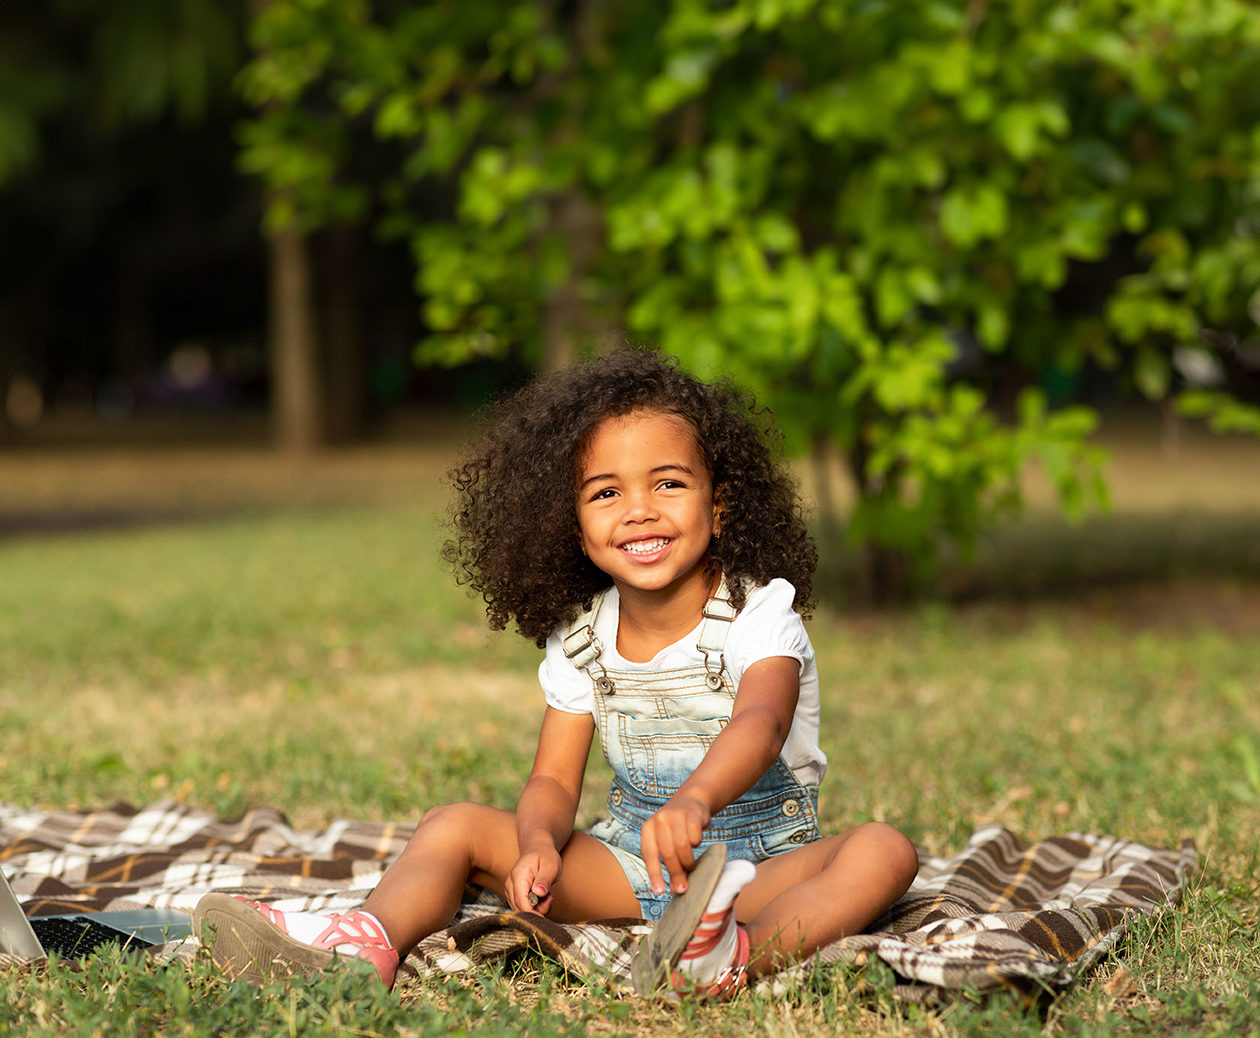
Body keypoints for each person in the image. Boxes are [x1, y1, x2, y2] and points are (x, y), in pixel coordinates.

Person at [195, 349, 919, 998]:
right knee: (454, 827)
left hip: (757, 872)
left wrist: (696, 802)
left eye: (668, 484)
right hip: (631, 868)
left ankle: (725, 957)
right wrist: (541, 841)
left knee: (883, 851)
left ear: (718, 505)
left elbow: (762, 723)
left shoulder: (759, 611)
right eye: (606, 493)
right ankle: (363, 945)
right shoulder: (580, 638)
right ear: (574, 527)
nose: (639, 511)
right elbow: (553, 779)